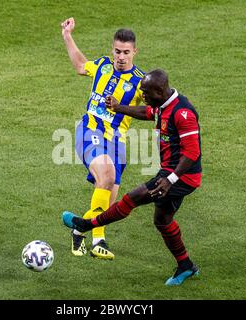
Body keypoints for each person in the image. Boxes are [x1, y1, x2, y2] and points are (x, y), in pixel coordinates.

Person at [62, 69, 202, 286]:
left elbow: (192, 153)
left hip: (180, 177)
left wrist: (170, 180)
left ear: (159, 90)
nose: (142, 96)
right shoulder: (162, 105)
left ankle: (84, 225)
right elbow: (146, 112)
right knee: (162, 221)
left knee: (131, 199)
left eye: (146, 93)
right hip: (169, 173)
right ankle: (186, 266)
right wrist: (119, 108)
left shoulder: (183, 113)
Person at [60, 17, 145, 260]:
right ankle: (99, 241)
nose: (121, 57)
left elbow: (149, 111)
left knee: (108, 206)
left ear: (134, 52)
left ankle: (78, 228)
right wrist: (67, 36)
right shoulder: (103, 66)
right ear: (112, 50)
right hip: (90, 132)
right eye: (117, 51)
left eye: (126, 52)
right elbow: (80, 66)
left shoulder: (141, 81)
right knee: (106, 176)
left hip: (117, 143)